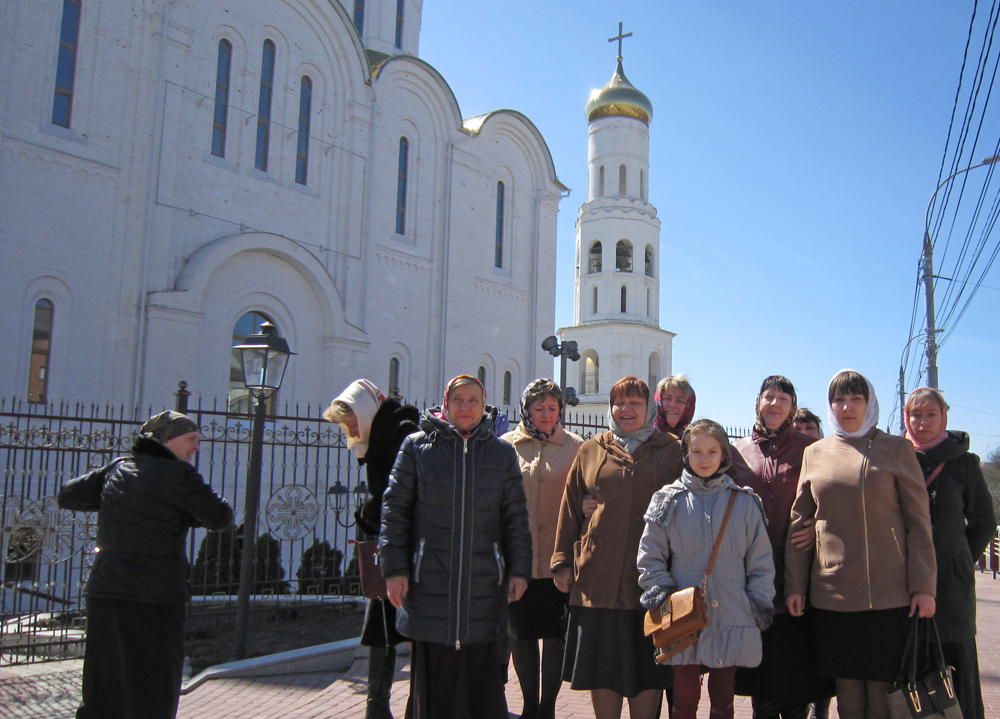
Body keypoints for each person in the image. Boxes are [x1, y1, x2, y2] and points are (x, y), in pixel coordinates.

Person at [58, 410, 233, 719]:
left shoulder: (118, 469)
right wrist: (183, 513)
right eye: (191, 439)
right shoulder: (179, 475)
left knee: (104, 679)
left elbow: (69, 495)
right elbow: (220, 517)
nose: (196, 447)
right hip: (156, 596)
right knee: (154, 681)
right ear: (167, 440)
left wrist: (122, 501)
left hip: (106, 590)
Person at [784, 370, 937, 719]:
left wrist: (924, 587)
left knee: (883, 695)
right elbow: (799, 524)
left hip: (889, 596)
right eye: (839, 399)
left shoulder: (896, 449)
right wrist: (795, 585)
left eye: (856, 399)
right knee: (848, 694)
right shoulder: (816, 453)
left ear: (869, 403)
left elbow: (918, 524)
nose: (847, 407)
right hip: (833, 595)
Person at [379, 375, 532, 719]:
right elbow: (395, 512)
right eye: (458, 400)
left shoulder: (501, 453)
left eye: (473, 400)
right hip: (430, 585)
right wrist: (395, 569)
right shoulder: (417, 448)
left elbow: (515, 517)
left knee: (482, 689)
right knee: (435, 689)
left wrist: (519, 570)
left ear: (484, 405)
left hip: (483, 587)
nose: (465, 407)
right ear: (446, 403)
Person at [551, 376, 681, 719]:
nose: (626, 410)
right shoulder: (592, 449)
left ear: (650, 408)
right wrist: (562, 562)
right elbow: (571, 505)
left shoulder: (671, 450)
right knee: (601, 670)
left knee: (648, 670)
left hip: (651, 582)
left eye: (635, 403)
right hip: (598, 580)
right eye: (619, 403)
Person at [638, 419, 776, 719]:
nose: (704, 459)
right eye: (697, 451)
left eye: (712, 451)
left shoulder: (744, 502)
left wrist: (758, 601)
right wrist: (662, 595)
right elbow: (650, 555)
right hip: (683, 613)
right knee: (685, 695)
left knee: (724, 695)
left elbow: (760, 561)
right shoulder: (668, 500)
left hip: (733, 610)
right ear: (686, 454)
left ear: (724, 454)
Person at [728, 377, 831, 719]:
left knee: (796, 683)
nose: (775, 404)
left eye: (783, 399)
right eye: (769, 397)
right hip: (753, 581)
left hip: (797, 578)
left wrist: (819, 527)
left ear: (792, 406)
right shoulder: (737, 451)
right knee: (762, 688)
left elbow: (831, 499)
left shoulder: (811, 449)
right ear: (758, 401)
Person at [323, 380, 420, 719]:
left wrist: (368, 512)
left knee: (415, 630)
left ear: (365, 413)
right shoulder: (381, 433)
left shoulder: (400, 434)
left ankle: (415, 708)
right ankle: (377, 707)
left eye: (353, 424)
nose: (351, 432)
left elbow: (402, 495)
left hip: (409, 550)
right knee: (382, 628)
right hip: (390, 547)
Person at [903, 387, 996, 719]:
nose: (923, 422)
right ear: (906, 418)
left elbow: (984, 521)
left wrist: (960, 558)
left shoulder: (964, 462)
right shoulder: (897, 459)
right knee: (911, 665)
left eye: (931, 414)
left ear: (943, 417)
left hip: (952, 589)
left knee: (956, 664)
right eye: (916, 414)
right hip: (905, 582)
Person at [500, 379, 585, 719]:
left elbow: (585, 493)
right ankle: (529, 706)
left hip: (557, 558)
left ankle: (547, 707)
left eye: (553, 408)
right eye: (539, 409)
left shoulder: (576, 447)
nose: (547, 415)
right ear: (527, 410)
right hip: (518, 557)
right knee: (520, 635)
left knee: (554, 637)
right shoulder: (506, 446)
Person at [653, 373, 697, 438]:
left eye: (680, 401)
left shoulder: (695, 440)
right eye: (667, 399)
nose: (672, 405)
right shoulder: (643, 436)